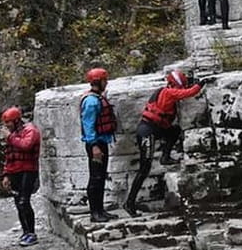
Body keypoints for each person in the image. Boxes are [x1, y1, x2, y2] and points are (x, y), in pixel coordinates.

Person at [123, 69, 204, 217]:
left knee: (174, 131)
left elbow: (181, 93)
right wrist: (199, 85)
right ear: (173, 84)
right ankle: (129, 203)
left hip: (155, 128)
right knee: (144, 168)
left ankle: (165, 157)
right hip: (147, 131)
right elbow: (187, 93)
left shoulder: (166, 92)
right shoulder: (168, 92)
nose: (180, 89)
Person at [80, 67, 119, 222]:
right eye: (105, 80)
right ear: (99, 82)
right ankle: (94, 212)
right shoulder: (91, 101)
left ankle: (101, 210)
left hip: (101, 142)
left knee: (101, 176)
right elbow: (88, 125)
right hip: (95, 144)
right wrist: (94, 146)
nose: (106, 82)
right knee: (95, 177)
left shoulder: (97, 97)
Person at [0, 106, 41, 247]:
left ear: (17, 121)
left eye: (9, 123)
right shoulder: (12, 135)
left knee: (24, 201)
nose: (7, 126)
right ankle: (25, 231)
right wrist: (6, 175)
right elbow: (8, 157)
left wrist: (10, 137)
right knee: (18, 203)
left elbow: (26, 145)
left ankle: (32, 234)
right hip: (15, 172)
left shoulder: (31, 131)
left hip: (28, 171)